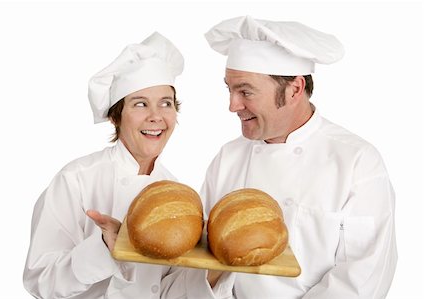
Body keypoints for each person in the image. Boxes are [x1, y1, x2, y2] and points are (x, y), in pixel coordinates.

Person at [183, 16, 398, 298]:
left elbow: (364, 276)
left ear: (295, 89)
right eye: (230, 89)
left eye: (245, 91)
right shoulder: (228, 158)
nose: (232, 105)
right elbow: (204, 258)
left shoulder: (356, 162)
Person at [23, 32, 190, 298]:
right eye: (140, 104)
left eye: (166, 104)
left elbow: (170, 288)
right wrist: (103, 248)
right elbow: (39, 279)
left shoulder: (177, 193)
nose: (156, 116)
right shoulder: (77, 179)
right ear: (116, 116)